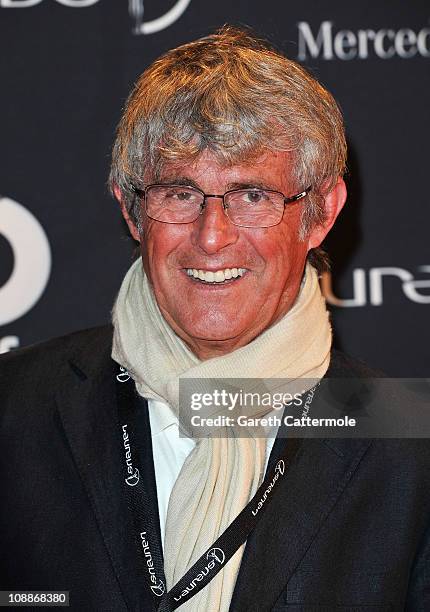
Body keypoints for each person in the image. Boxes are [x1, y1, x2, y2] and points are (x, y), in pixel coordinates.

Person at [1, 26, 429, 612]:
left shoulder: (412, 449)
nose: (211, 238)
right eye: (179, 193)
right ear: (131, 208)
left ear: (321, 213)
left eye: (252, 195)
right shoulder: (13, 408)